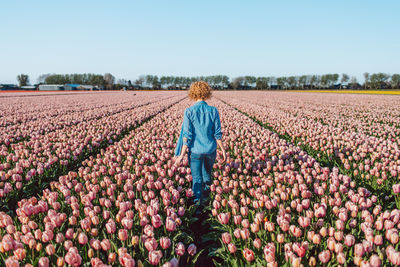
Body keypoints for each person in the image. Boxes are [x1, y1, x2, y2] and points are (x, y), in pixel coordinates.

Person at [174, 81, 226, 214]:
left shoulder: (189, 111)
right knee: (207, 176)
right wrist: (223, 150)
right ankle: (209, 203)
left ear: (193, 93)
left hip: (195, 151)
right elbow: (217, 134)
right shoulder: (213, 111)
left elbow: (187, 136)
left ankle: (197, 209)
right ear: (207, 93)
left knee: (196, 179)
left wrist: (181, 155)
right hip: (210, 150)